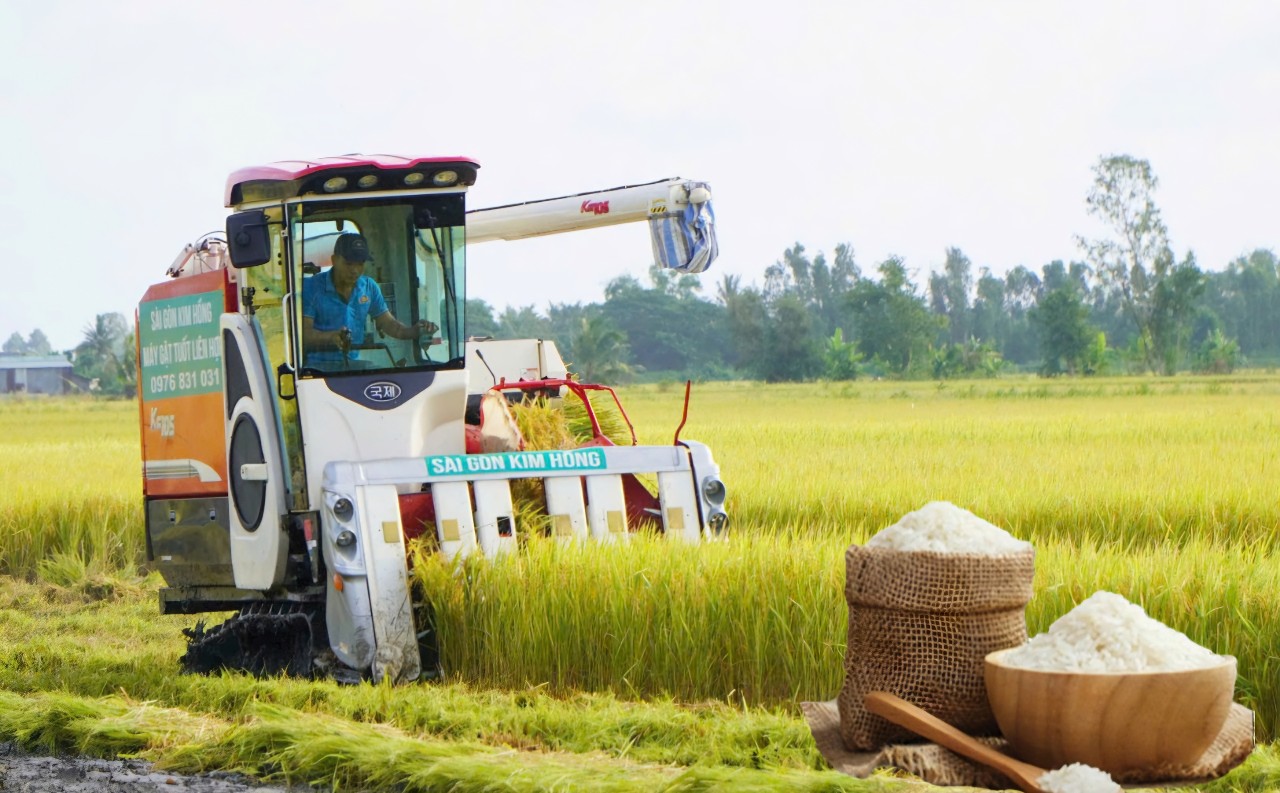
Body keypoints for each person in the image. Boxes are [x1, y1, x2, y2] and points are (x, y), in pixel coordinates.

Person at [301, 233, 437, 367]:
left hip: (353, 364)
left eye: (360, 264)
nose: (355, 270)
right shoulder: (311, 287)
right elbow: (303, 335)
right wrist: (332, 338)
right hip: (316, 366)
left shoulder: (369, 287)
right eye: (349, 264)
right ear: (334, 260)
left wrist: (414, 331)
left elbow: (389, 324)